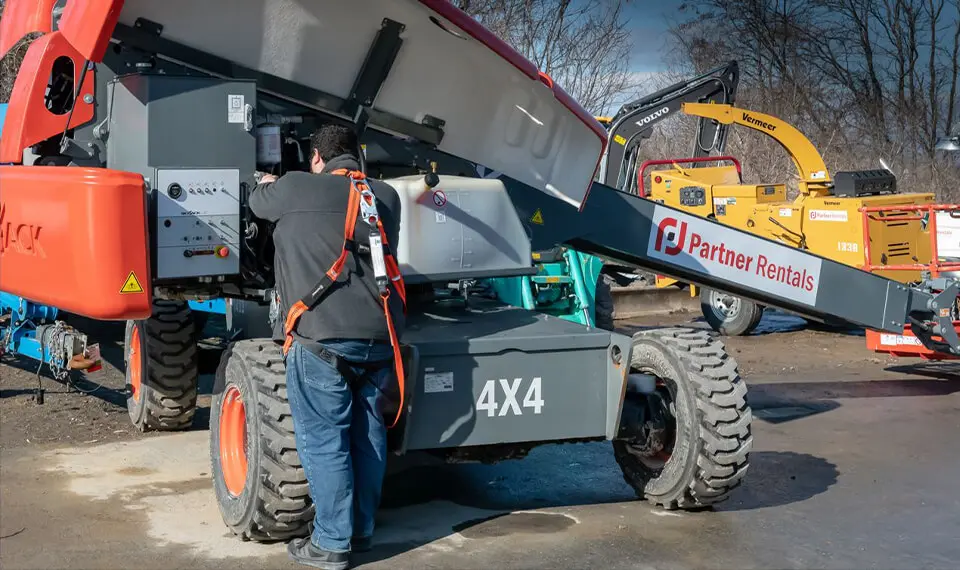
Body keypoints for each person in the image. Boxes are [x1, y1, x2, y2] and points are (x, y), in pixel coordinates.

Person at [249, 124, 405, 570]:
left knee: (324, 442)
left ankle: (332, 542)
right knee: (368, 437)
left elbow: (257, 203)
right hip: (378, 338)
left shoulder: (296, 187)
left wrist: (268, 183)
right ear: (358, 157)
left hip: (321, 339)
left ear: (317, 157)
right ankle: (361, 531)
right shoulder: (385, 197)